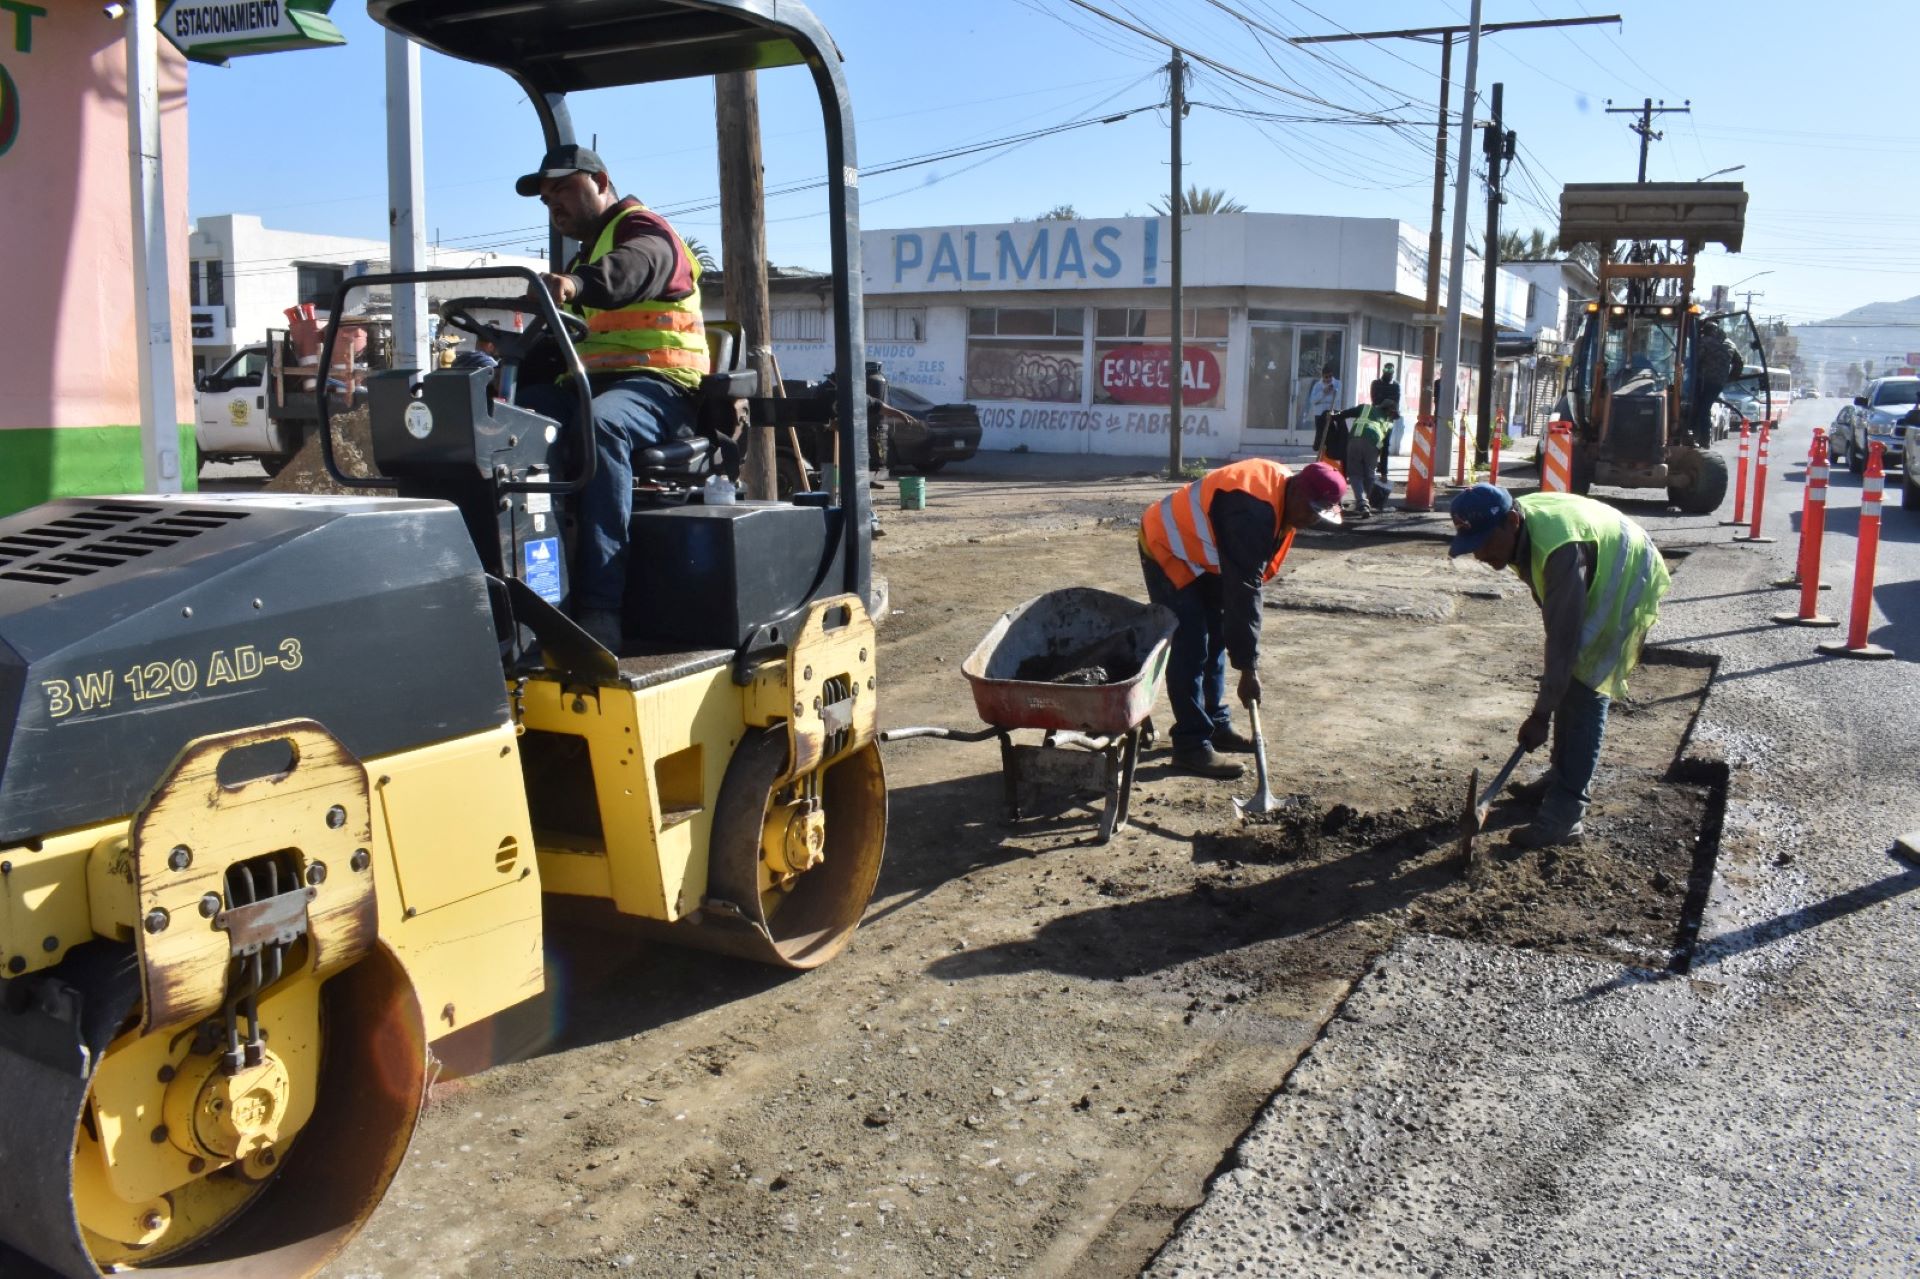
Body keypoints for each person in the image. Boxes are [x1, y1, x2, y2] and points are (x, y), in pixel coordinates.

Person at [513, 144, 710, 651]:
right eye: (546, 198)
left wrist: (576, 285)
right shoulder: (589, 251)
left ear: (600, 181)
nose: (554, 205)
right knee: (508, 422)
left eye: (563, 190)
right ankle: (518, 580)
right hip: (591, 386)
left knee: (603, 424)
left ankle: (602, 606)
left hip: (659, 391)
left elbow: (635, 268)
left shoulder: (645, 233)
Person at [1447, 484, 1671, 848]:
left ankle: (1567, 813)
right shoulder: (1520, 530)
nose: (1480, 555)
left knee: (1583, 687)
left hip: (1627, 570)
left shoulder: (1560, 552)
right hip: (1598, 556)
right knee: (1565, 677)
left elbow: (1563, 644)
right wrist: (1550, 701)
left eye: (1486, 543)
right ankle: (1560, 772)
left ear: (1512, 521)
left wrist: (1540, 715)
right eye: (1473, 545)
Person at [1139, 459, 1348, 778]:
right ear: (1296, 493)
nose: (1311, 522)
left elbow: (1239, 594)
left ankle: (1216, 724)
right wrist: (1248, 668)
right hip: (1168, 545)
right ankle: (1190, 745)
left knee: (1218, 636)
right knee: (1192, 644)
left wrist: (1242, 655)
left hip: (1205, 553)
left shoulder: (1283, 497)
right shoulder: (1251, 510)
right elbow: (1244, 590)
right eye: (1310, 511)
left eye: (1320, 515)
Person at [1690, 320, 1740, 445]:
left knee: (1700, 408)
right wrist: (1730, 378)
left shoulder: (1706, 341)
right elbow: (1739, 363)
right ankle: (1699, 435)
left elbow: (1695, 359)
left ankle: (1703, 438)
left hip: (1703, 381)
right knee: (1704, 407)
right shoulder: (1730, 344)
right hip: (1718, 383)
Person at [1308, 363, 1340, 453]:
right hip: (1319, 413)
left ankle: (1330, 451)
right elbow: (1313, 400)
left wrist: (1322, 400)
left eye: (1330, 376)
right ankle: (1318, 449)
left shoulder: (1337, 383)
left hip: (1331, 412)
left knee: (1331, 433)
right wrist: (1323, 393)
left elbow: (1337, 398)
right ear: (1322, 376)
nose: (1328, 379)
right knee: (1320, 433)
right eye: (1326, 377)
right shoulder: (1317, 385)